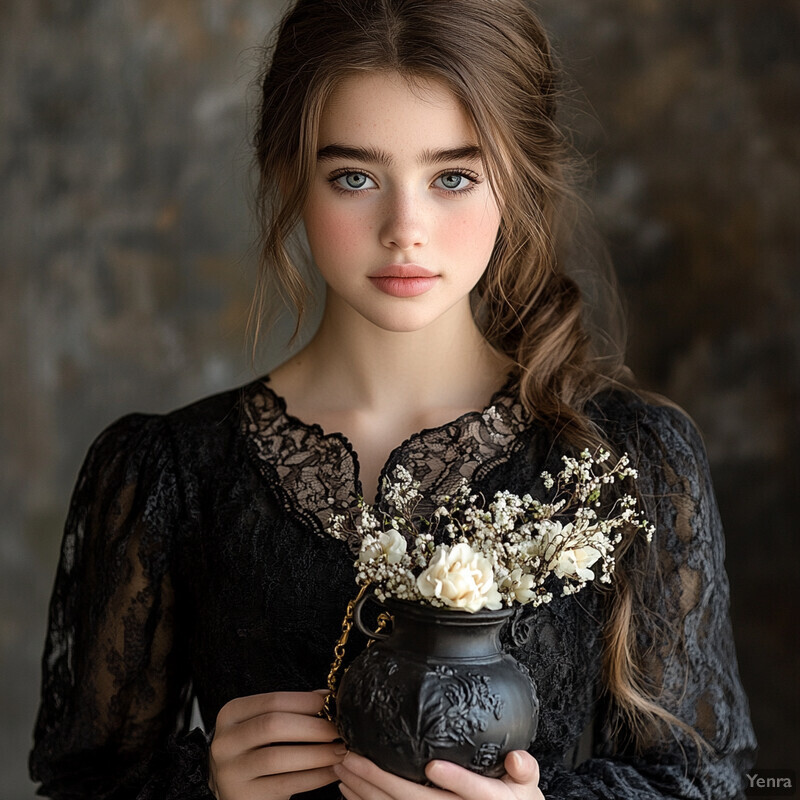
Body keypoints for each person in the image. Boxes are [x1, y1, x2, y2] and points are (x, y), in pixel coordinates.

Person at [29, 1, 757, 798]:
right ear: (288, 177)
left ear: (515, 180)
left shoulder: (633, 462)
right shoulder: (166, 475)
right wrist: (204, 785)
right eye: (354, 177)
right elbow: (84, 780)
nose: (405, 228)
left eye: (452, 177)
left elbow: (704, 778)